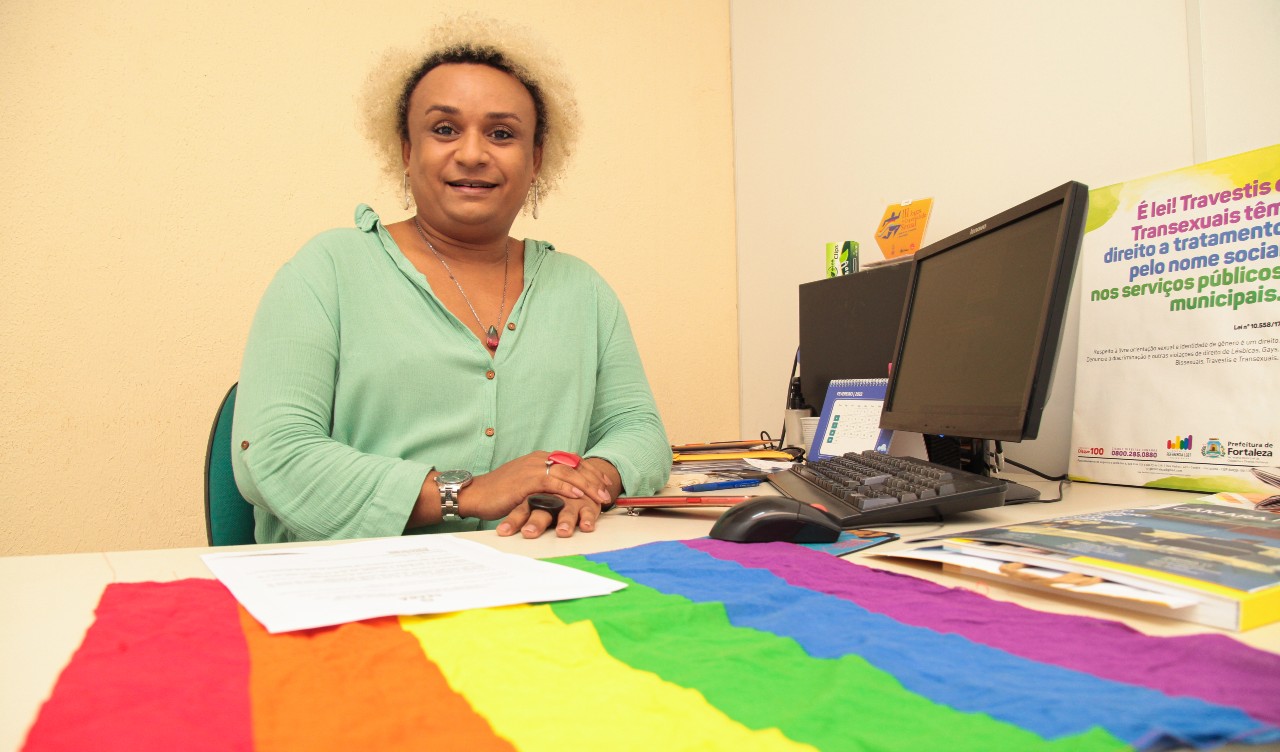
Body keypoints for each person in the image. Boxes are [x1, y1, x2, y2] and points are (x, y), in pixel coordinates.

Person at [231, 17, 670, 544]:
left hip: (538, 576)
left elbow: (640, 430)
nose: (471, 153)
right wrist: (466, 492)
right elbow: (274, 454)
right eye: (444, 129)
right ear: (406, 151)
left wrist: (584, 481)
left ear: (535, 161)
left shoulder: (583, 290)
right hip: (352, 591)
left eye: (502, 134)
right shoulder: (326, 270)